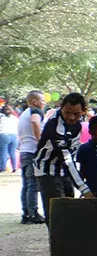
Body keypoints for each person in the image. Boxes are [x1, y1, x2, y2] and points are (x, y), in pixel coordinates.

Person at [34, 93, 95, 219]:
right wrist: (84, 189)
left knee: (69, 207)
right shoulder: (55, 126)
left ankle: (68, 237)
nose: (71, 117)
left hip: (64, 170)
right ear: (61, 108)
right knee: (56, 211)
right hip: (48, 170)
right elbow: (66, 158)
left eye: (76, 114)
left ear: (83, 111)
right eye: (67, 112)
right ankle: (57, 238)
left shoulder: (77, 125)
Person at [18, 91, 47, 223]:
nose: (44, 103)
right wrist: (40, 141)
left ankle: (26, 213)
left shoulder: (23, 114)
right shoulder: (35, 111)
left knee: (26, 184)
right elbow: (35, 122)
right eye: (42, 100)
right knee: (33, 184)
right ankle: (33, 213)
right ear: (35, 101)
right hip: (32, 151)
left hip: (24, 150)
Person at [0, 106, 18, 173]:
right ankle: (14, 167)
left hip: (4, 134)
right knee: (12, 152)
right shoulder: (15, 118)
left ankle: (2, 168)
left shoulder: (2, 118)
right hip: (14, 134)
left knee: (3, 152)